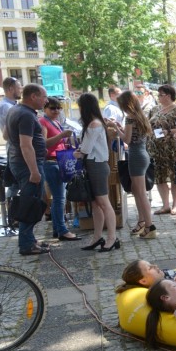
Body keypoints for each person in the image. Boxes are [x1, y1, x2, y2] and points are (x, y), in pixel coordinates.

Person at [6, 84, 50, 255]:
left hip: (20, 162)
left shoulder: (17, 110)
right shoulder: (25, 114)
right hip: (27, 165)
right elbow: (25, 145)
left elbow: (6, 135)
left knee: (30, 201)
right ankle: (26, 244)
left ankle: (30, 240)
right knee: (30, 203)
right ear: (33, 96)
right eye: (44, 97)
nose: (46, 100)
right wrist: (34, 171)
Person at [75, 92, 119, 252]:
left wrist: (77, 152)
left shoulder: (94, 124)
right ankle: (98, 236)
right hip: (95, 164)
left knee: (103, 202)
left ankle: (112, 237)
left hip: (96, 165)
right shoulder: (97, 122)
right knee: (96, 204)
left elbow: (86, 148)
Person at [116, 91, 156, 239]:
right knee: (137, 190)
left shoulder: (129, 119)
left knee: (140, 193)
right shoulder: (141, 116)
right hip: (143, 154)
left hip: (136, 156)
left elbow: (126, 140)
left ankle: (149, 226)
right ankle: (142, 222)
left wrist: (116, 128)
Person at [39, 96, 80, 241]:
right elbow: (43, 143)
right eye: (52, 108)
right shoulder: (43, 121)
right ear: (45, 109)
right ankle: (62, 230)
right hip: (51, 162)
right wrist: (62, 135)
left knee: (59, 198)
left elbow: (58, 142)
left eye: (58, 108)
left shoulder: (55, 121)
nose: (56, 110)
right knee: (59, 198)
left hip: (59, 161)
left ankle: (58, 228)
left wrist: (66, 139)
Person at [148, 84, 176, 217]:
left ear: (168, 96)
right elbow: (148, 125)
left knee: (175, 176)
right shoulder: (155, 109)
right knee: (160, 177)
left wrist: (168, 131)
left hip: (172, 148)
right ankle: (165, 205)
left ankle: (175, 205)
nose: (158, 97)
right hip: (156, 149)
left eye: (160, 95)